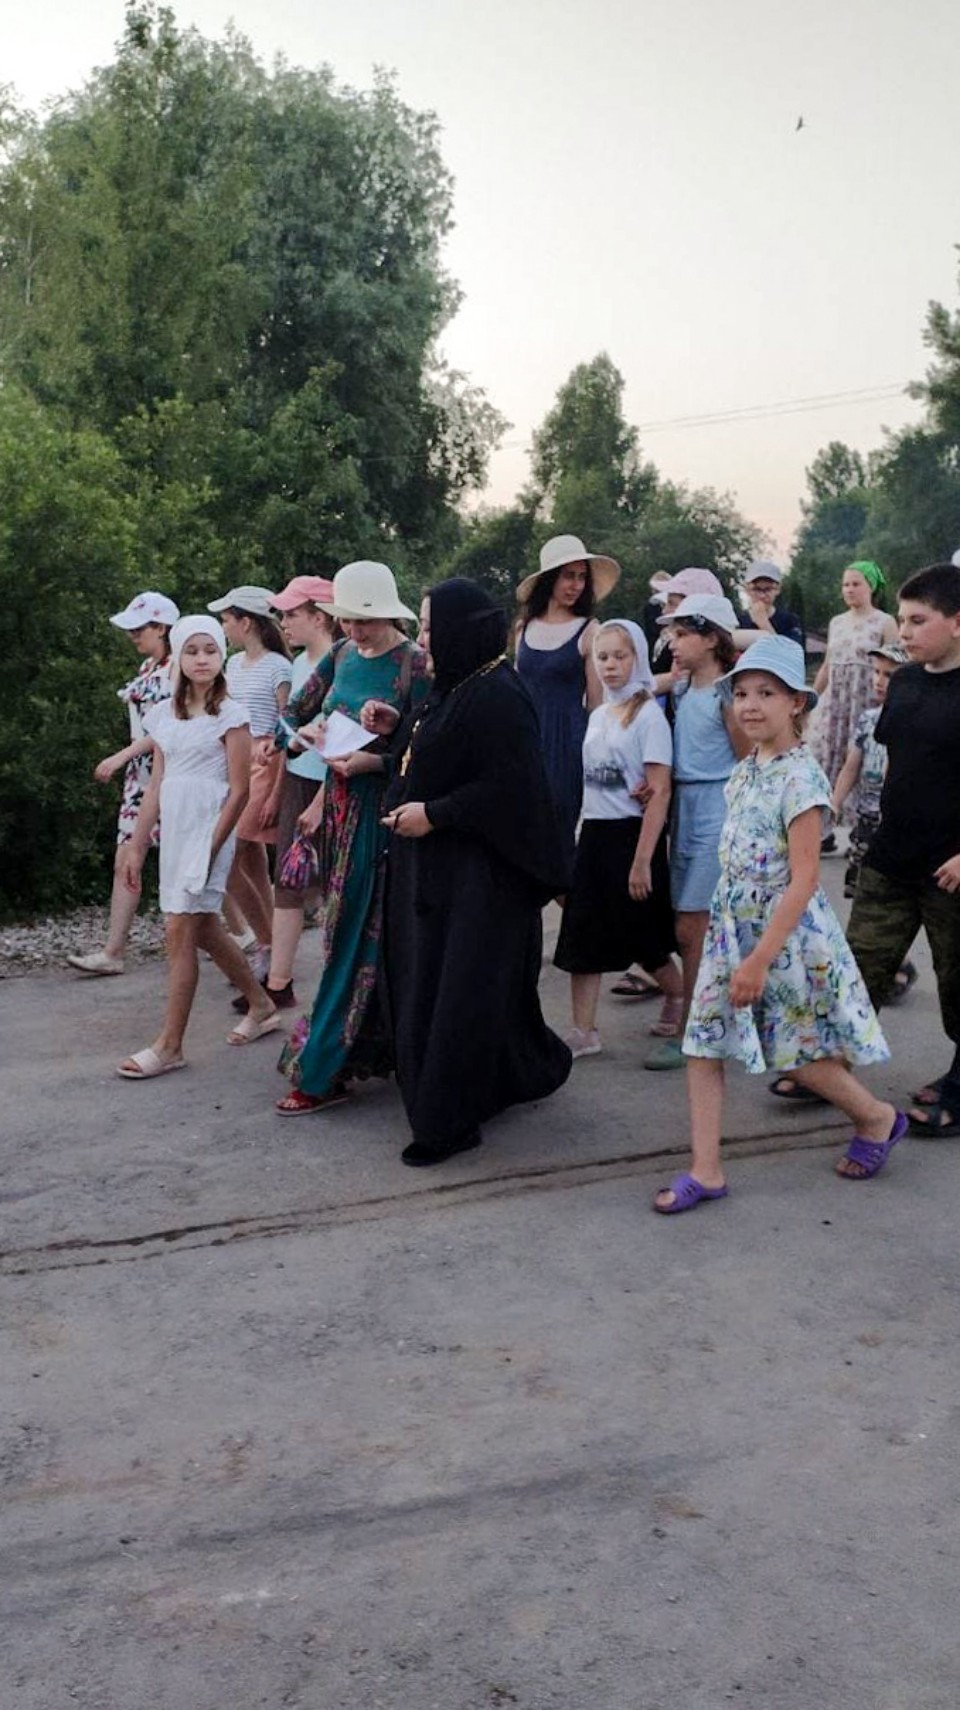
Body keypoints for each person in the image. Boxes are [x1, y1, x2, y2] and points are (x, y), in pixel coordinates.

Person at [653, 636, 900, 1214]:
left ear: (797, 703)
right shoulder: (745, 771)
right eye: (741, 693)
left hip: (783, 938)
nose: (750, 705)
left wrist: (760, 959)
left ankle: (876, 1117)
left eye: (766, 693)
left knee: (797, 1052)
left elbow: (805, 878)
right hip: (730, 928)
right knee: (703, 1043)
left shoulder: (802, 779)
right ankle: (706, 1170)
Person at [381, 579, 572, 1164]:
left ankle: (450, 1121)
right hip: (437, 876)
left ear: (460, 630)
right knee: (446, 989)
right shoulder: (455, 685)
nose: (424, 637)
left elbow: (513, 788)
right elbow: (433, 751)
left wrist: (436, 814)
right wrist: (393, 728)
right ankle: (505, 1078)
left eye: (431, 626)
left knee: (460, 995)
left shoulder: (498, 695)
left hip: (479, 882)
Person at [275, 561, 429, 1115]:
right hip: (338, 812)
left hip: (384, 817)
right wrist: (303, 736)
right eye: (348, 619)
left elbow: (427, 748)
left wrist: (377, 760)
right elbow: (289, 719)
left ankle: (323, 1067)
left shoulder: (414, 664)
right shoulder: (340, 655)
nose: (356, 630)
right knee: (343, 936)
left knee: (358, 938)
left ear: (390, 615)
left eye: (366, 620)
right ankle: (354, 1054)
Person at [115, 617, 281, 1078]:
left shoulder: (232, 715)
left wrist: (211, 847)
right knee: (204, 926)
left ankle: (170, 1045)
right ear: (179, 657)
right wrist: (136, 846)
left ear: (221, 656)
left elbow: (239, 790)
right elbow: (155, 786)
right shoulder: (164, 716)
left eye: (210, 650)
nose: (202, 659)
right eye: (192, 651)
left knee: (180, 931)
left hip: (211, 830)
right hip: (177, 830)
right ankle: (261, 1004)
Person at [846, 563, 960, 1138]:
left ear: (958, 622)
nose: (905, 632)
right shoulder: (908, 682)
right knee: (857, 965)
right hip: (891, 857)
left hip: (951, 871)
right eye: (902, 619)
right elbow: (894, 760)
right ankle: (830, 1069)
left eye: (918, 620)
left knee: (958, 982)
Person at [554, 621, 681, 1059]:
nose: (609, 665)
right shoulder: (598, 716)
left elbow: (659, 790)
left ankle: (678, 994)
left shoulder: (648, 716)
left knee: (643, 934)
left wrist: (643, 860)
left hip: (632, 834)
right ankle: (583, 1030)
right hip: (594, 832)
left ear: (638, 658)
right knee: (581, 930)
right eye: (602, 657)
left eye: (619, 656)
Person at [649, 593, 752, 1070]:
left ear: (712, 638)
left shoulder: (728, 694)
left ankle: (694, 1030)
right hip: (683, 806)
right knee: (690, 925)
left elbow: (747, 760)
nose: (673, 642)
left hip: (718, 806)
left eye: (683, 633)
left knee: (692, 926)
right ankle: (720, 1017)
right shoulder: (683, 689)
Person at [231, 576, 335, 1014]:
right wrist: (278, 757)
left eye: (292, 614)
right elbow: (291, 724)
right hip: (297, 777)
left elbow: (343, 736)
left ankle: (340, 987)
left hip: (332, 786)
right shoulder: (298, 665)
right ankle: (279, 982)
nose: (283, 622)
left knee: (334, 886)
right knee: (288, 882)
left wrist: (320, 800)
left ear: (320, 617)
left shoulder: (340, 662)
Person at [68, 592, 181, 977]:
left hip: (169, 773)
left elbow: (168, 727)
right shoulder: (148, 667)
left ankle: (245, 933)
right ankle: (113, 951)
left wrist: (121, 756)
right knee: (127, 857)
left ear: (161, 627)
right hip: (141, 778)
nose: (133, 635)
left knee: (199, 862)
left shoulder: (177, 669)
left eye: (139, 628)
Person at [207, 585, 292, 974]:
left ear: (246, 622)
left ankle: (267, 941)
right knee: (251, 857)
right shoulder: (234, 664)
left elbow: (288, 728)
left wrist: (277, 791)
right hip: (235, 761)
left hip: (264, 763)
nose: (224, 627)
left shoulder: (279, 668)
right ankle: (274, 941)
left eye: (227, 620)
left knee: (228, 852)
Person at [515, 533, 620, 849]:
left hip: (567, 743)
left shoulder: (590, 630)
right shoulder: (523, 627)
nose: (575, 585)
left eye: (581, 577)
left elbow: (597, 704)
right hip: (524, 740)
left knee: (558, 836)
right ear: (550, 579)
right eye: (568, 576)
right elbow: (516, 688)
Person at [809, 560, 898, 799]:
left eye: (856, 584)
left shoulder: (884, 622)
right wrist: (810, 700)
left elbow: (895, 667)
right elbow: (827, 665)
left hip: (865, 700)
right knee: (828, 755)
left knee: (859, 756)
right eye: (846, 585)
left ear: (870, 587)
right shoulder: (836, 622)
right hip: (835, 704)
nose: (849, 589)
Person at [737, 560, 804, 648]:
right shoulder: (737, 622)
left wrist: (764, 623)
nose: (762, 595)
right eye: (756, 589)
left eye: (768, 589)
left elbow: (792, 653)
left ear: (778, 589)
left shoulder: (790, 621)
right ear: (747, 590)